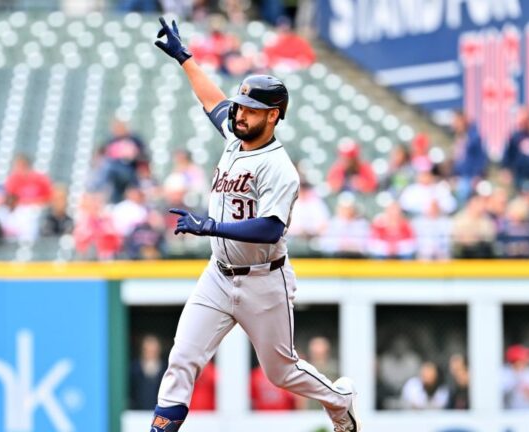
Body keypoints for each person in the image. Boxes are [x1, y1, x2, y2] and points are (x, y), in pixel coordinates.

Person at [150, 17, 360, 432]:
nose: (242, 115)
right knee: (181, 358)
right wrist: (185, 59)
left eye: (253, 110)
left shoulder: (280, 168)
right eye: (243, 107)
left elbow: (269, 229)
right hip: (218, 275)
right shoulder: (236, 134)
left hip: (264, 280)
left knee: (280, 372)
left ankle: (339, 399)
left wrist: (210, 227)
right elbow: (213, 101)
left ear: (274, 116)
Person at [130, 335, 168, 410]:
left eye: (153, 351)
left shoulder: (166, 369)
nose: (150, 353)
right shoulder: (134, 369)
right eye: (147, 350)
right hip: (138, 413)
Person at [502, 344, 529, 410]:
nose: (527, 359)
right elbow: (502, 393)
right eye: (523, 356)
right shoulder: (505, 373)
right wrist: (516, 377)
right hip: (511, 415)